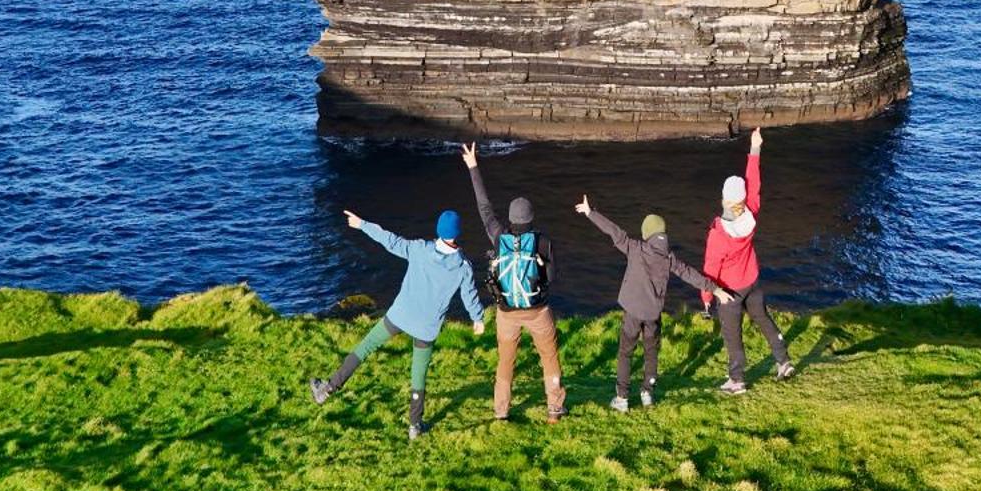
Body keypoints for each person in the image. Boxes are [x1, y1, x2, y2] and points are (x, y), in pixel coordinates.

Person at [310, 206, 486, 439]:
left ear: (438, 230)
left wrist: (362, 225)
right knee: (418, 376)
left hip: (400, 315)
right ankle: (414, 426)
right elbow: (470, 295)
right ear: (457, 233)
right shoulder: (463, 267)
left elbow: (391, 241)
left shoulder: (420, 249)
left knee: (365, 347)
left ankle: (327, 389)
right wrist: (477, 318)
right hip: (426, 328)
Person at [575, 193, 728, 410]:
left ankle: (622, 397)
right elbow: (689, 274)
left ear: (647, 234)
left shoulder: (636, 249)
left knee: (625, 352)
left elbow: (615, 232)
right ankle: (647, 391)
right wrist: (715, 289)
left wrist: (591, 213)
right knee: (651, 352)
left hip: (633, 313)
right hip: (653, 315)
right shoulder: (669, 259)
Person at [461, 143, 566, 423]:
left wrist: (473, 166)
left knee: (505, 363)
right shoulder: (543, 242)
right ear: (531, 218)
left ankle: (501, 412)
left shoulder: (499, 238)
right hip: (538, 311)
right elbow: (553, 278)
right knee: (549, 358)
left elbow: (484, 209)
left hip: (506, 313)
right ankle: (555, 409)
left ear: (510, 218)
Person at [700, 126, 793, 394]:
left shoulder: (718, 233)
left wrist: (707, 299)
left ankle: (737, 380)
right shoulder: (751, 213)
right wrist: (755, 148)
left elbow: (710, 269)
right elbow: (754, 183)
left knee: (733, 335)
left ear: (724, 200)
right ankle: (783, 361)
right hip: (751, 280)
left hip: (729, 290)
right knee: (763, 318)